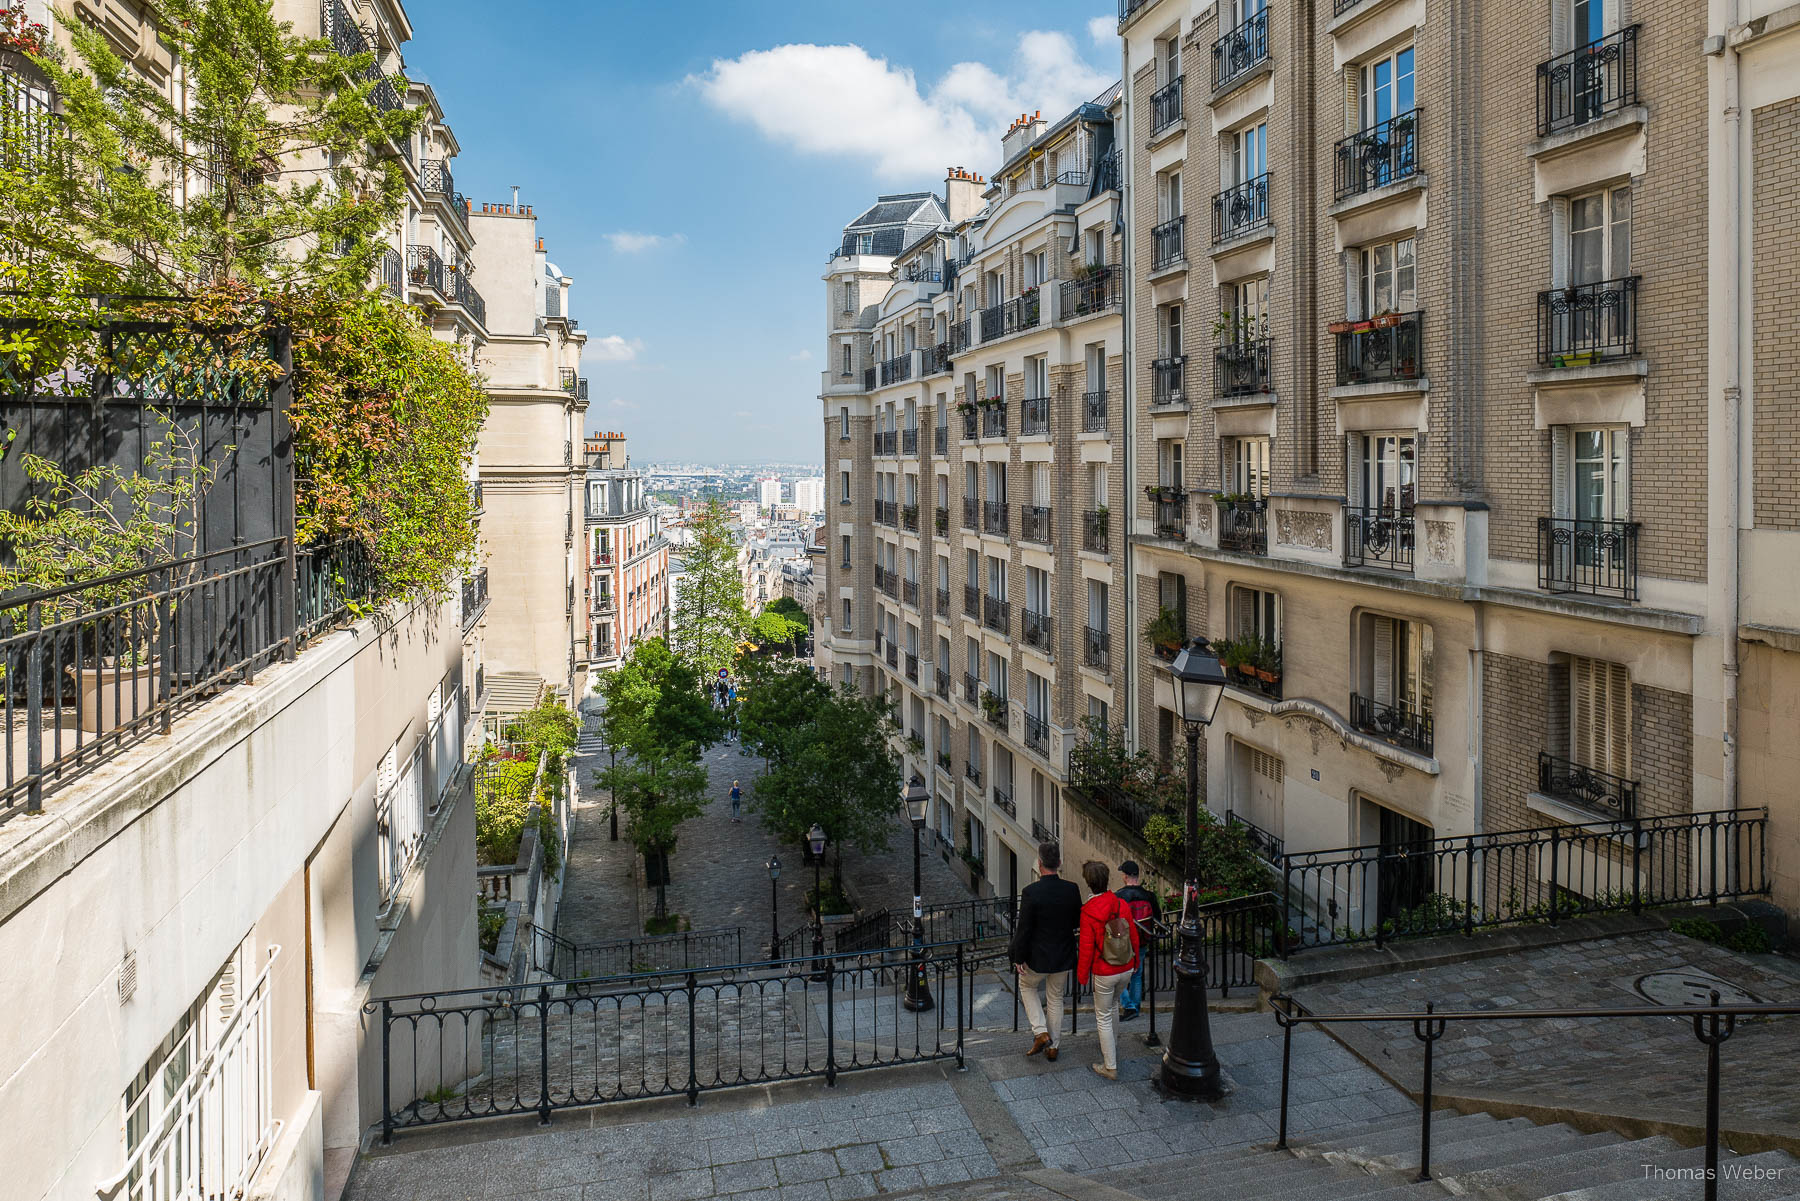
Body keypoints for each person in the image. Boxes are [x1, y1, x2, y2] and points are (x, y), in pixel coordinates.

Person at [1008, 841, 1081, 1062]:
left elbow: (1024, 929)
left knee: (1027, 986)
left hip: (1037, 957)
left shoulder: (1031, 892)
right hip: (1063, 954)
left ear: (1040, 864)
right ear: (1058, 863)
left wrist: (1018, 957)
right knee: (1056, 998)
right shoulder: (1072, 889)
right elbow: (1077, 920)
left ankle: (1040, 1032)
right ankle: (1053, 1047)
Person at [1077, 860, 1140, 1080]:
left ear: (1089, 883)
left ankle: (1110, 1065)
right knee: (1114, 1006)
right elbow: (1133, 936)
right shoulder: (1120, 903)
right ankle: (1111, 1047)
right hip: (1125, 966)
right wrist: (1136, 962)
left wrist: (1082, 975)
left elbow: (1085, 947)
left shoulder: (1088, 911)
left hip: (1105, 970)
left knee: (1102, 1016)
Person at [1114, 860, 1161, 1021]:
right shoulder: (1149, 896)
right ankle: (1135, 1006)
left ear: (1125, 876)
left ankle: (1128, 1006)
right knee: (1137, 973)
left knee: (1119, 973)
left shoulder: (1119, 896)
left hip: (1124, 941)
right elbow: (1157, 917)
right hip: (1142, 939)